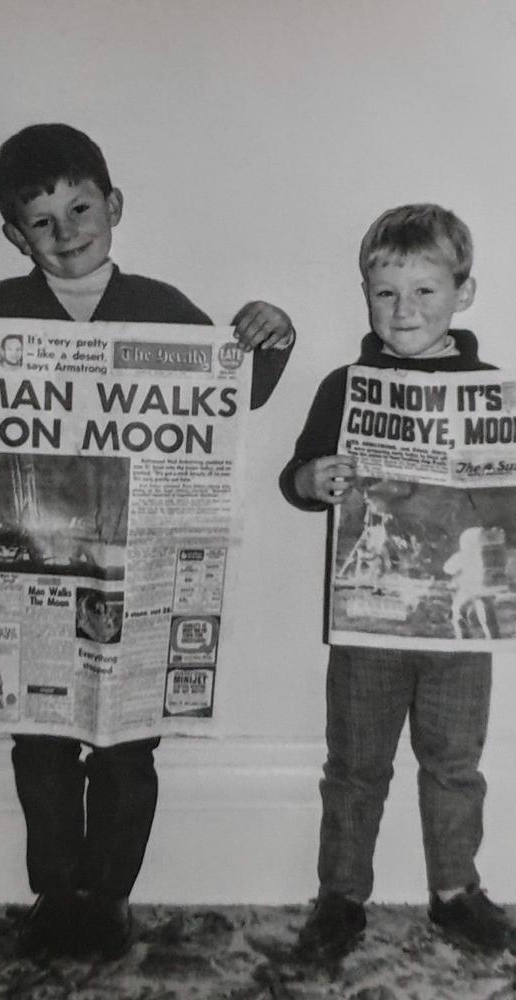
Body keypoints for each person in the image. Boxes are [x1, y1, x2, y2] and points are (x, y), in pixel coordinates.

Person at [0, 123, 295, 961]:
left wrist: (271, 334)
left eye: (80, 207)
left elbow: (234, 395)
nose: (65, 232)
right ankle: (56, 892)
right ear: (12, 235)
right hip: (35, 567)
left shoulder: (166, 309)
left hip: (143, 567)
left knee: (131, 749)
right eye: (41, 220)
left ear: (114, 206)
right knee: (43, 739)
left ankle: (110, 895)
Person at [279, 204, 515, 963]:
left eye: (424, 291)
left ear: (463, 294)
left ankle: (456, 892)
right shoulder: (346, 387)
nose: (403, 309)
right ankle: (341, 897)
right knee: (354, 766)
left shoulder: (493, 392)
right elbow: (298, 476)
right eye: (386, 293)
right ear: (365, 293)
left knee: (454, 765)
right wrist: (313, 478)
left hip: (459, 624)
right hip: (370, 619)